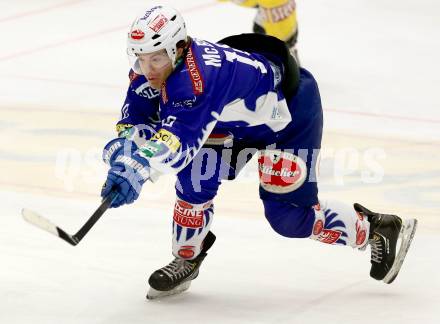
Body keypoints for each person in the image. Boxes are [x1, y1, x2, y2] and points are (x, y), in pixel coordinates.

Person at [100, 5, 417, 299]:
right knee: (195, 179)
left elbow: (177, 144)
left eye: (156, 58)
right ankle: (187, 256)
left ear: (179, 48)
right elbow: (136, 121)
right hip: (228, 121)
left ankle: (377, 229)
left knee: (287, 217)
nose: (147, 68)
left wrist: (137, 167)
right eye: (140, 58)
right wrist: (123, 157)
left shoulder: (198, 81)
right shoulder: (153, 71)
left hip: (288, 116)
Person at [218, 0, 300, 61]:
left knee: (280, 56)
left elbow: (246, 2)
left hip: (276, 36)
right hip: (291, 27)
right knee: (289, 48)